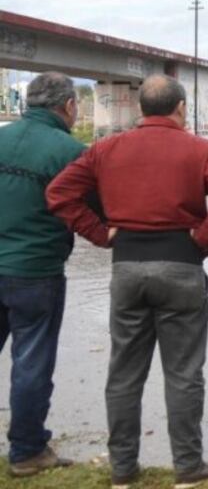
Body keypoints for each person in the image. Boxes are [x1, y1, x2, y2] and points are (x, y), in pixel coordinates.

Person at [46, 74, 208, 488]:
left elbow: (60, 193)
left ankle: (122, 470)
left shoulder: (105, 149)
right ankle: (188, 467)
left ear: (140, 110)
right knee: (184, 373)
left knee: (123, 374)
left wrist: (100, 234)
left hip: (127, 268)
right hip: (181, 267)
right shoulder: (201, 149)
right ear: (181, 108)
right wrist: (203, 241)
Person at [0, 72, 82, 477]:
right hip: (35, 271)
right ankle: (27, 451)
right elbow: (93, 210)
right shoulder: (69, 151)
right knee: (31, 362)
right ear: (68, 106)